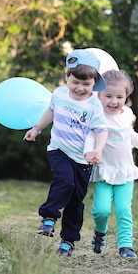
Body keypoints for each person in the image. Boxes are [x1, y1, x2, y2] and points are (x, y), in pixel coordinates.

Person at [23, 49, 109, 257]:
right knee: (65, 181)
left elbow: (102, 131)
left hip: (83, 159)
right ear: (67, 77)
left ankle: (68, 241)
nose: (80, 88)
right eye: (75, 82)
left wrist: (97, 150)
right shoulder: (59, 94)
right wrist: (37, 128)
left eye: (86, 84)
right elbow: (51, 111)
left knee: (75, 202)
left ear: (94, 84)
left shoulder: (94, 106)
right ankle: (49, 217)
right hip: (59, 149)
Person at [84, 69, 138, 259]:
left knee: (123, 209)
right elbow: (91, 135)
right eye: (108, 96)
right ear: (99, 95)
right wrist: (90, 151)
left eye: (119, 97)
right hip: (104, 171)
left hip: (125, 172)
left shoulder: (127, 114)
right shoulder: (97, 115)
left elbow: (130, 134)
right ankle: (99, 232)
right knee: (101, 210)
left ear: (126, 96)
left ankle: (125, 245)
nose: (114, 101)